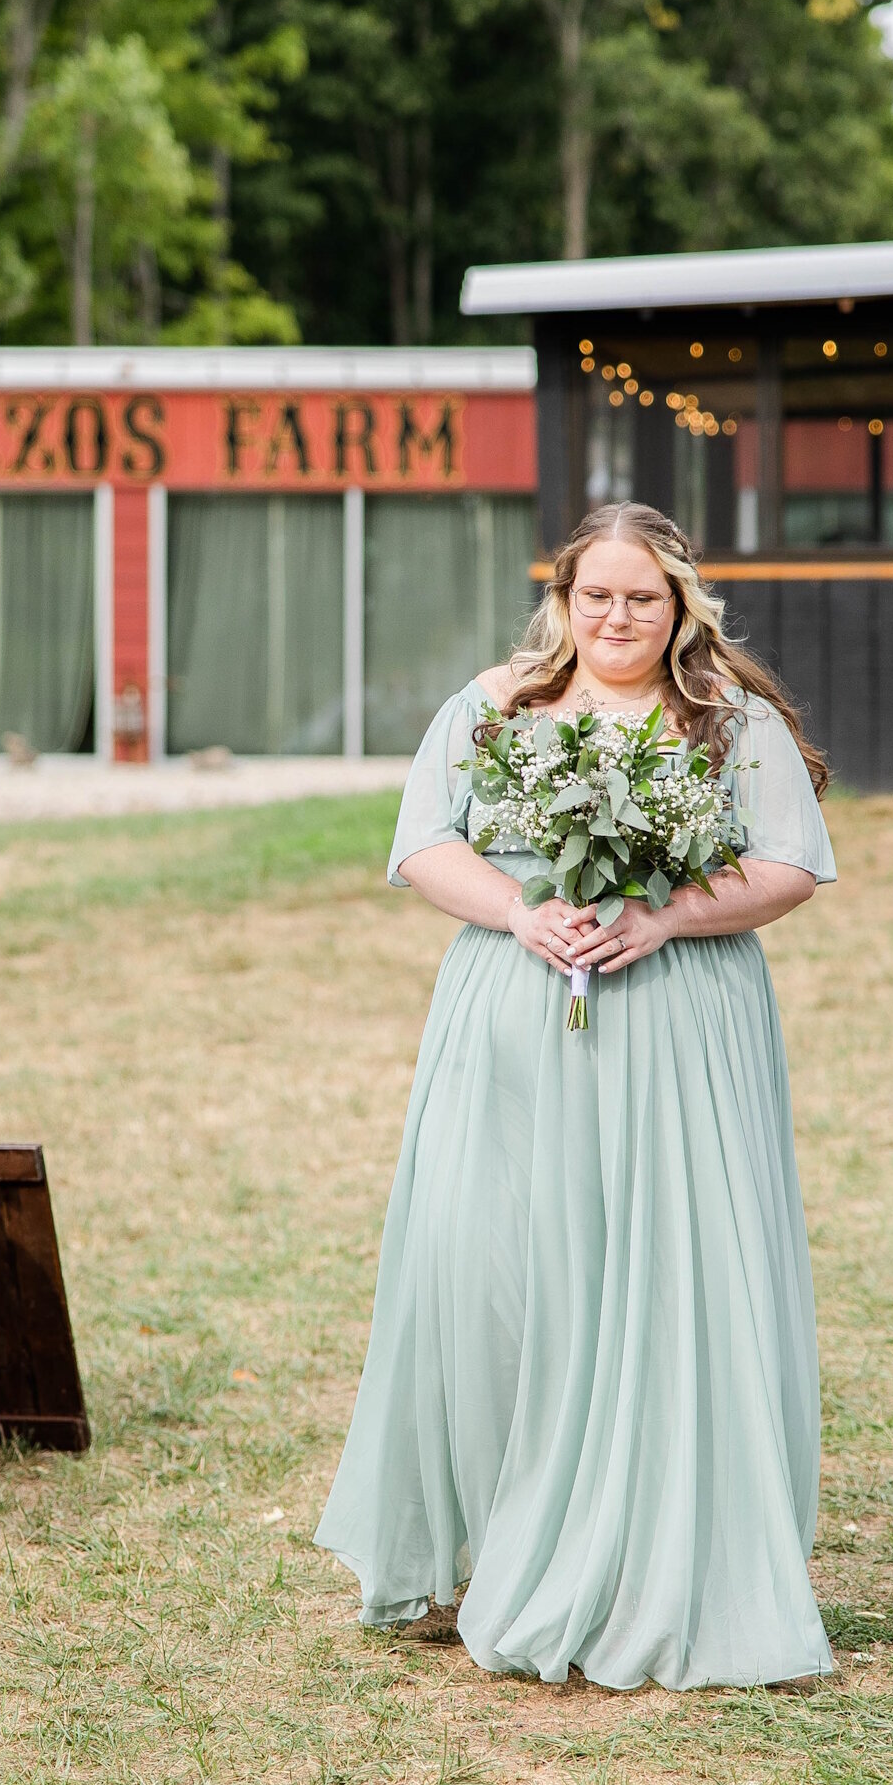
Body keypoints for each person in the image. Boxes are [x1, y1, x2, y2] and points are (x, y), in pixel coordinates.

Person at [316, 502, 837, 1690]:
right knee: (493, 1269)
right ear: (562, 598)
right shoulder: (494, 705)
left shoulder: (725, 721)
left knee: (668, 1271)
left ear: (680, 604)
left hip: (678, 1024)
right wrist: (517, 909)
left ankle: (662, 1548)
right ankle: (498, 1537)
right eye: (595, 594)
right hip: (507, 1019)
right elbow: (423, 843)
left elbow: (791, 866)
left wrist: (666, 915)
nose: (617, 616)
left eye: (642, 597)